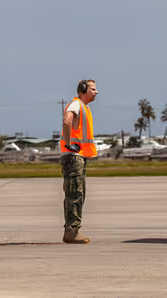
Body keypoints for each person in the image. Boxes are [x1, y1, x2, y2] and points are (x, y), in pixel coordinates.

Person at [61, 79, 98, 243]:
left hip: (79, 156)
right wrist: (69, 144)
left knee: (79, 193)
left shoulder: (84, 108)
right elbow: (67, 121)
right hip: (74, 156)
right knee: (75, 193)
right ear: (83, 90)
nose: (96, 92)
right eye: (93, 89)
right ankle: (71, 231)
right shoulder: (76, 105)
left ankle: (74, 229)